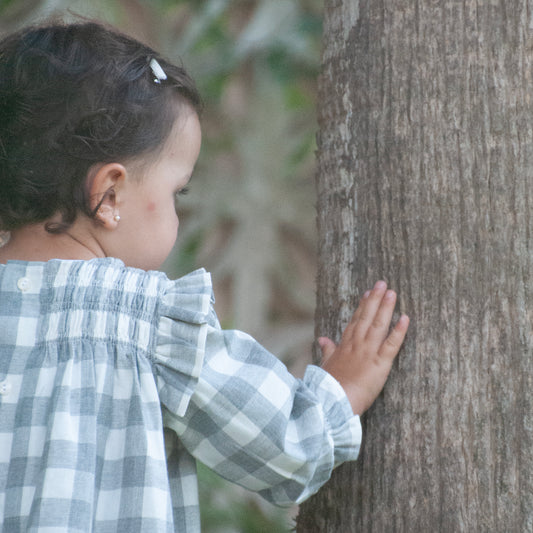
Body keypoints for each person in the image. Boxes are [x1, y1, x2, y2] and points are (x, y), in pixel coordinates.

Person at [0, 20, 409, 532]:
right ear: (109, 196)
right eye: (178, 193)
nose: (177, 211)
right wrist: (342, 390)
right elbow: (285, 446)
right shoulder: (144, 325)